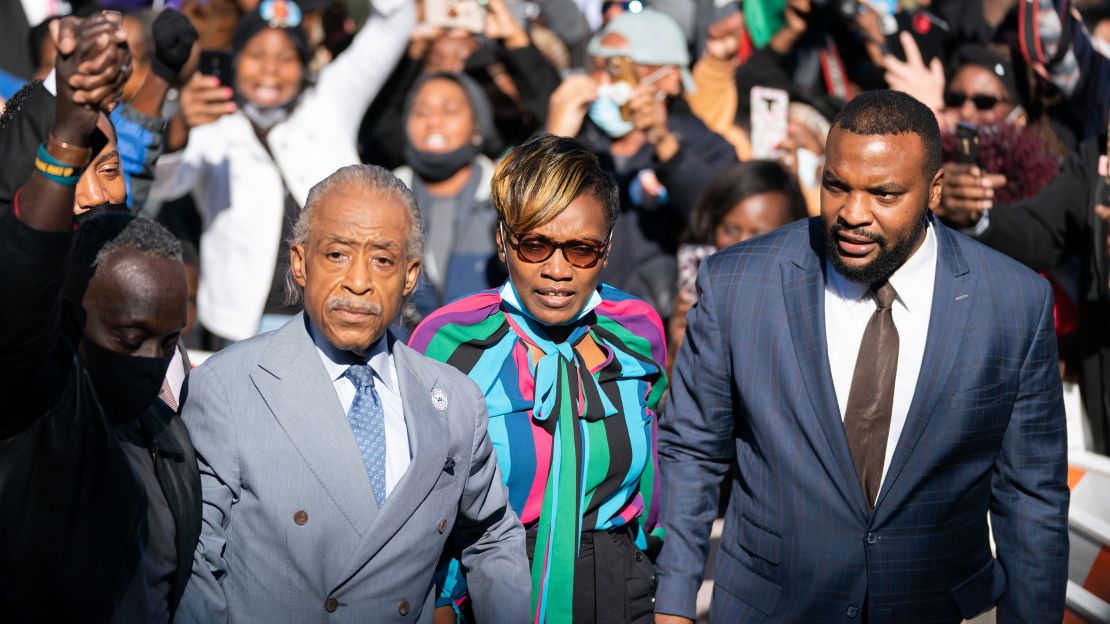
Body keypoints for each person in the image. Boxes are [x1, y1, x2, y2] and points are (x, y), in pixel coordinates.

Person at [654, 90, 1069, 623]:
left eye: (885, 194)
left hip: (937, 609)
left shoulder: (1012, 303)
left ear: (934, 190)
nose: (852, 213)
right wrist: (673, 606)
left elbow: (1031, 496)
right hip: (770, 607)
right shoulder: (738, 283)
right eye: (836, 185)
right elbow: (692, 451)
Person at [177, 164, 529, 623]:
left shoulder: (455, 401)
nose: (358, 281)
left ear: (409, 275)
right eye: (337, 254)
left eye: (382, 260)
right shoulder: (228, 387)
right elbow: (195, 559)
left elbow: (492, 535)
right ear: (300, 263)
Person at [410, 135, 668, 624]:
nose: (557, 270)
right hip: (489, 590)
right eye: (535, 244)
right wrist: (441, 605)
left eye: (582, 250)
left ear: (607, 250)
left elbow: (658, 473)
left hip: (618, 590)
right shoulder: (448, 342)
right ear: (503, 241)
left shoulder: (636, 331)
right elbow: (425, 500)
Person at [0, 13, 200, 620]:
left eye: (104, 172)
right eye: (62, 176)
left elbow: (128, 172)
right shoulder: (22, 335)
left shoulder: (119, 271)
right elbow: (30, 268)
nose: (92, 193)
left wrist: (161, 74)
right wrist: (64, 136)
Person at [150, 0, 414, 346]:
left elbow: (394, 22)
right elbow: (164, 184)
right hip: (236, 326)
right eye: (256, 55)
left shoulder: (331, 100)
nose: (270, 70)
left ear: (304, 66)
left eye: (286, 58)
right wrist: (178, 129)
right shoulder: (211, 120)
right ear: (235, 59)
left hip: (333, 317)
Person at [545, 7, 738, 316]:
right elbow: (510, 225)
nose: (601, 83)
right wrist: (551, 139)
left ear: (670, 78)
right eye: (595, 69)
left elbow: (718, 215)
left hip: (653, 324)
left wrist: (665, 145)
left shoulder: (704, 145)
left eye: (617, 69)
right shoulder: (576, 141)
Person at [668, 160, 808, 367]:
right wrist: (676, 356)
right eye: (731, 230)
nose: (741, 246)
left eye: (761, 236)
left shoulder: (810, 312)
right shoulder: (664, 293)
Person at [394, 71, 505, 321]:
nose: (433, 122)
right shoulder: (384, 198)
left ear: (477, 123)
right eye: (421, 112)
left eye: (449, 110)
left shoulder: (506, 199)